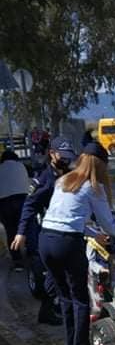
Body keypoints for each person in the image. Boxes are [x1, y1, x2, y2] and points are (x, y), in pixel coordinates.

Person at [38, 141, 115, 345]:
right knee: (81, 300)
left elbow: (66, 218)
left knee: (65, 298)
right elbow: (110, 225)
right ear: (101, 166)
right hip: (67, 244)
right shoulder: (94, 186)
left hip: (46, 239)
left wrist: (93, 233)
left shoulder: (63, 180)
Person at [11, 136, 78, 324]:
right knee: (55, 273)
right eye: (62, 156)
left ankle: (56, 306)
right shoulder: (44, 179)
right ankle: (49, 309)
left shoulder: (70, 173)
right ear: (52, 154)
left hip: (70, 228)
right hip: (49, 231)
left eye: (68, 156)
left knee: (63, 272)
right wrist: (21, 232)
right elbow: (29, 206)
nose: (66, 160)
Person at [0, 147, 30, 269]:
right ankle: (32, 254)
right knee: (25, 228)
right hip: (22, 200)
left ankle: (17, 262)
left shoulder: (1, 168)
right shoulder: (21, 166)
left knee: (10, 231)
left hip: (4, 203)